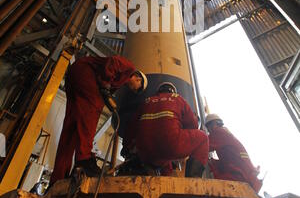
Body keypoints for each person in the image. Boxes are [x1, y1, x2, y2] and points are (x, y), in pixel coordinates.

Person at [49, 55, 147, 185]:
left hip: (75, 75)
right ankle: (84, 160)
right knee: (93, 109)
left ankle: (58, 177)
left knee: (71, 127)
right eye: (137, 88)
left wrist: (107, 91)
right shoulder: (129, 67)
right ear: (138, 78)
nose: (134, 90)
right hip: (85, 73)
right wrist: (106, 84)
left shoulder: (120, 82)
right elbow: (113, 62)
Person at [123, 82, 209, 177]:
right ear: (172, 91)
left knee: (166, 161)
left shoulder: (146, 101)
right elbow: (193, 125)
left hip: (144, 151)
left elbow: (131, 127)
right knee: (203, 138)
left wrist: (125, 147)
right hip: (170, 145)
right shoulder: (177, 98)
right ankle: (193, 181)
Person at [205, 114, 262, 192]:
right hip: (248, 178)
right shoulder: (226, 133)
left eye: (209, 127)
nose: (209, 130)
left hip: (239, 177)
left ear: (215, 123)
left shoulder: (218, 132)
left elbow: (203, 144)